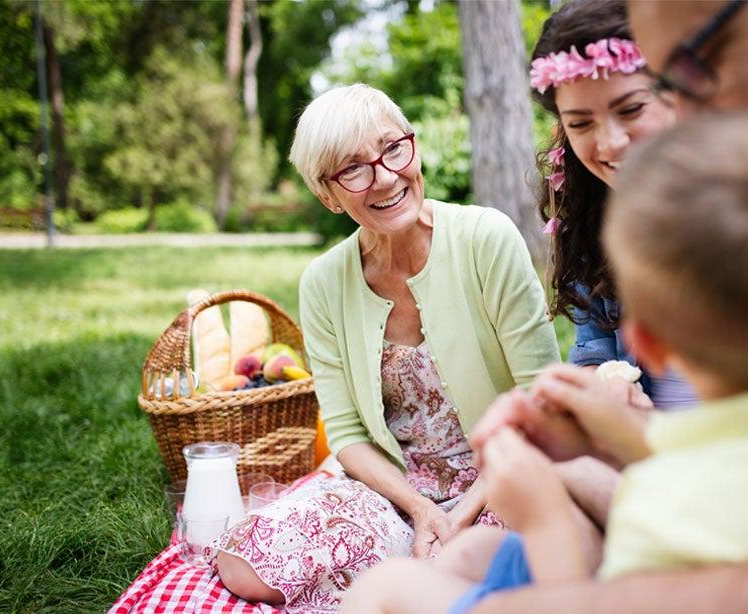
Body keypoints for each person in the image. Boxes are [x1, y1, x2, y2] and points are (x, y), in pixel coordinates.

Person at [341, 112, 748, 614]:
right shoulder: (711, 450)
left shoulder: (672, 514)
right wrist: (612, 434)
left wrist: (544, 514)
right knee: (468, 554)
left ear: (648, 343)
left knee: (382, 589)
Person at [205, 84, 560, 612]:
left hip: (502, 477)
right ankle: (411, 569)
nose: (386, 176)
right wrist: (421, 511)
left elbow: (541, 397)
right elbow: (346, 435)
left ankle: (409, 578)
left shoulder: (487, 237)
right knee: (243, 562)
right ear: (327, 195)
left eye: (394, 148)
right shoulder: (323, 282)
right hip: (394, 492)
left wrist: (461, 515)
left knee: (500, 556)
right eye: (353, 169)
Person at [530, 0, 697, 409]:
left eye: (632, 109)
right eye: (581, 123)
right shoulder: (593, 226)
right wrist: (600, 388)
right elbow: (594, 353)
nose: (610, 143)